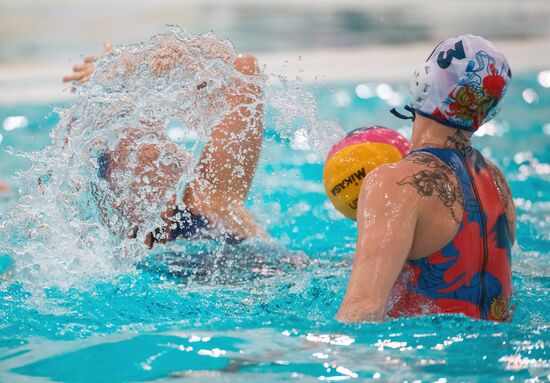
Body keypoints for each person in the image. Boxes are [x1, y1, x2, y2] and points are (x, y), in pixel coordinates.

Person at [336, 35, 515, 322]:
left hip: (425, 361)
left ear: (422, 83)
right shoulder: (497, 182)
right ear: (489, 111)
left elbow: (363, 309)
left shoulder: (395, 184)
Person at [63, 38, 266, 248]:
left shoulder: (209, 206)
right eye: (137, 158)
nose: (159, 154)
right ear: (115, 189)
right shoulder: (107, 257)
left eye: (157, 140)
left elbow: (242, 72)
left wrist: (132, 66)